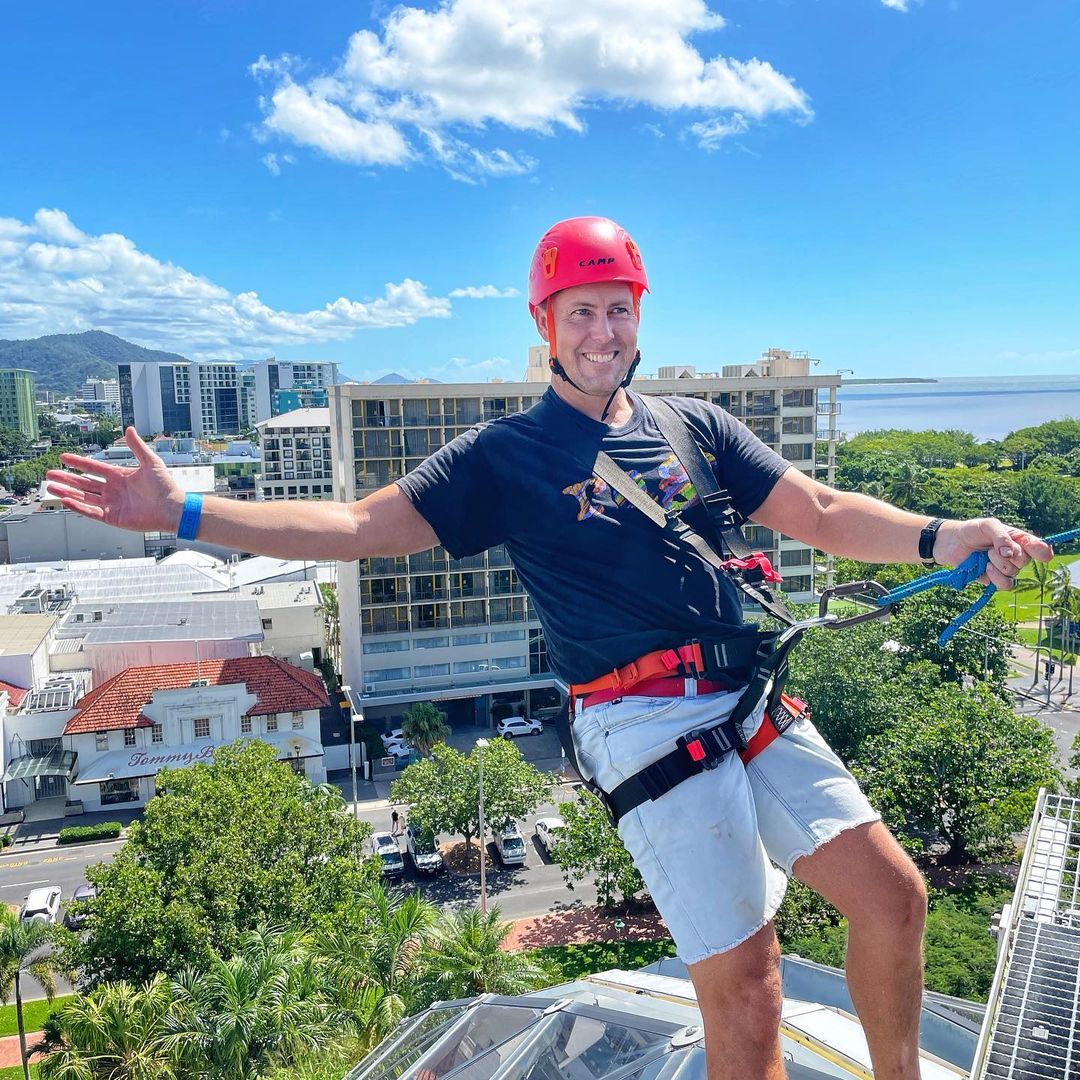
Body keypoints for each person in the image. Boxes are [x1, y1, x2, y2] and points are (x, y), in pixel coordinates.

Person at [47, 216, 1051, 1080]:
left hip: (747, 697)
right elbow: (357, 526)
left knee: (895, 898)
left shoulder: (695, 425)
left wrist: (947, 536)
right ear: (544, 327)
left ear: (639, 315)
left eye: (618, 308)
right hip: (644, 719)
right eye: (581, 312)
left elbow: (824, 511)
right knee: (747, 989)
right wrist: (183, 512)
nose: (603, 330)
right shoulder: (506, 456)